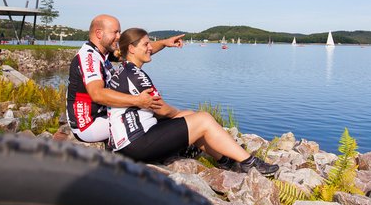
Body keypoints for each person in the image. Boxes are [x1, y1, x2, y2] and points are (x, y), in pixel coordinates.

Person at [108, 27, 279, 175]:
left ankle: (225, 161)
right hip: (137, 145)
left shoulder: (122, 68)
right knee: (202, 119)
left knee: (190, 116)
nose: (150, 47)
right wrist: (176, 113)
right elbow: (161, 109)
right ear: (131, 48)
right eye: (146, 44)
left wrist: (181, 115)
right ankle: (250, 162)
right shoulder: (136, 76)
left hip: (128, 142)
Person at [66, 14, 184, 143]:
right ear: (99, 33)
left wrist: (164, 43)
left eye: (120, 32)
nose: (119, 37)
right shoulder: (88, 57)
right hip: (89, 125)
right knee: (150, 114)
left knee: (156, 113)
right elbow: (97, 94)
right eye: (115, 32)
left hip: (103, 114)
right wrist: (137, 101)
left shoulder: (103, 53)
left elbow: (138, 51)